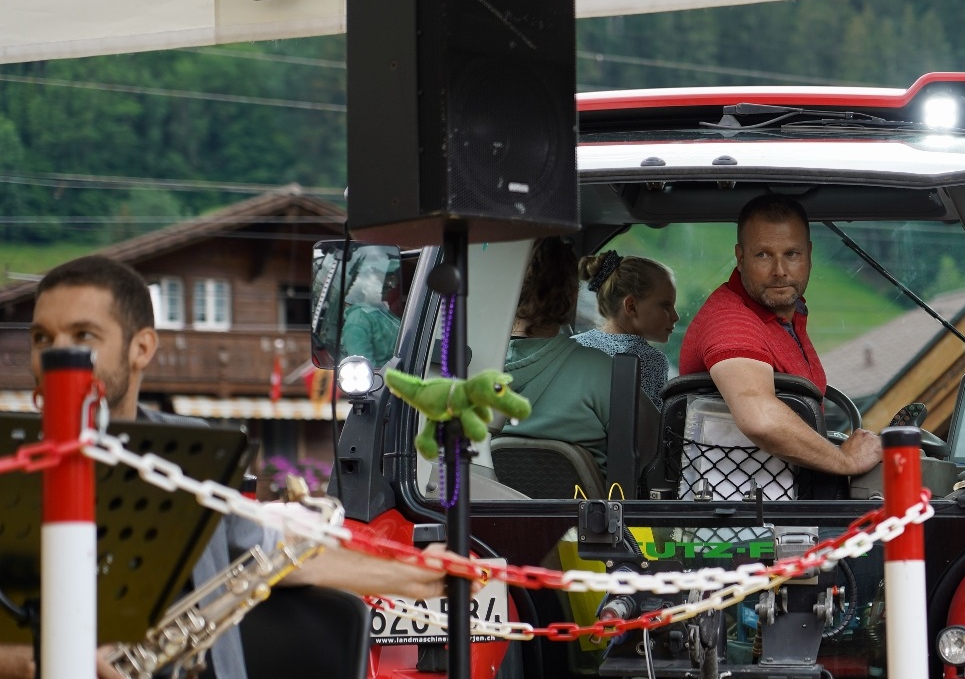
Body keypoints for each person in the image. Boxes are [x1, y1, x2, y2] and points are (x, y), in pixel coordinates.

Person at [0, 255, 454, 679]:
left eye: (83, 336)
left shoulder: (192, 452)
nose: (55, 356)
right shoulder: (9, 465)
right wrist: (40, 659)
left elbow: (284, 558)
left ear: (141, 348)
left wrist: (422, 578)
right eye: (42, 338)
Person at [680, 195, 882, 488]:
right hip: (746, 516)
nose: (779, 270)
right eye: (763, 255)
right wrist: (845, 461)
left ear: (809, 254)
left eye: (792, 254)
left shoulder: (786, 313)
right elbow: (760, 418)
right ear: (740, 257)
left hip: (788, 498)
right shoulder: (731, 321)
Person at [498, 238, 614, 476]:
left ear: (506, 290)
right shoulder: (601, 369)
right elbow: (649, 448)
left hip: (481, 510)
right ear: (572, 296)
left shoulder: (465, 365)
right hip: (578, 512)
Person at [573, 250, 678, 410]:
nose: (675, 316)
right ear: (631, 306)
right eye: (665, 305)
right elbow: (652, 428)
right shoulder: (650, 361)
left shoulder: (574, 345)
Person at [341, 269, 400, 366]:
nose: (385, 286)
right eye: (378, 284)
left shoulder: (380, 311)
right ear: (364, 288)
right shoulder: (357, 321)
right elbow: (365, 367)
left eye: (385, 282)